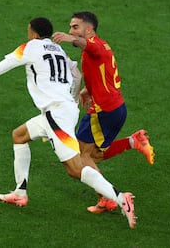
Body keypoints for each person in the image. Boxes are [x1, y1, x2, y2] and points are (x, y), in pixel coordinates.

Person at [0, 17, 137, 229]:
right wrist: (71, 98)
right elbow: (76, 73)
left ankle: (119, 197)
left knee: (74, 168)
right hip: (60, 111)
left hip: (56, 114)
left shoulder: (30, 47)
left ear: (33, 33)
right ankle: (19, 192)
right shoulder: (60, 51)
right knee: (19, 136)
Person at [53, 11, 154, 214]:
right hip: (115, 109)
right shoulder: (99, 47)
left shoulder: (94, 44)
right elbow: (100, 71)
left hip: (103, 112)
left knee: (81, 157)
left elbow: (89, 46)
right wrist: (87, 90)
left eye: (75, 27)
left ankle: (107, 198)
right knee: (94, 155)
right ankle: (134, 141)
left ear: (88, 30)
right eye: (70, 27)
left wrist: (69, 39)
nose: (70, 30)